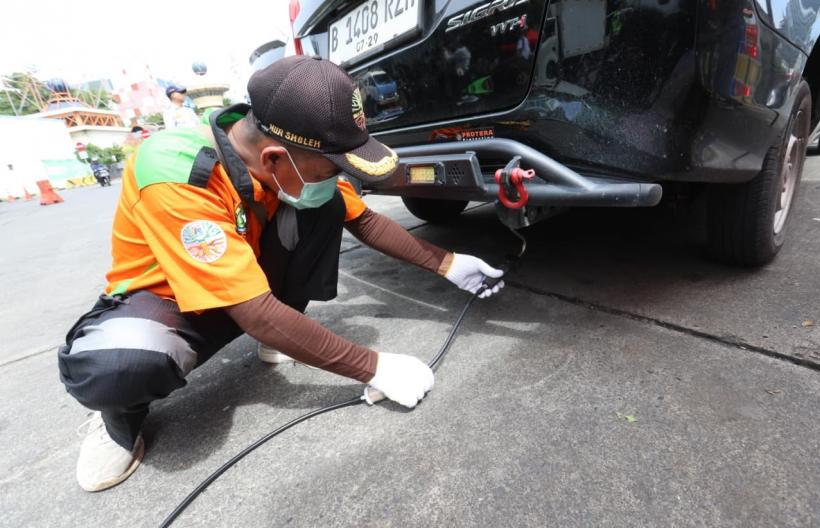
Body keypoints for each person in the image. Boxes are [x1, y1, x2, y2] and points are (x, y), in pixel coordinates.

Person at [58, 55, 504, 492]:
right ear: (273, 159)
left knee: (326, 205)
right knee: (120, 367)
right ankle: (117, 419)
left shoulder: (296, 154)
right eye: (332, 168)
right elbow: (251, 309)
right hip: (170, 307)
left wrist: (449, 263)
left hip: (247, 291)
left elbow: (365, 221)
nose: (336, 177)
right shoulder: (174, 169)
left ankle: (279, 334)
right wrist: (375, 367)